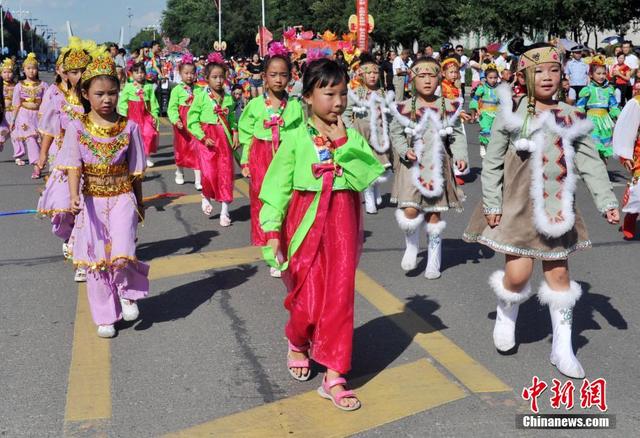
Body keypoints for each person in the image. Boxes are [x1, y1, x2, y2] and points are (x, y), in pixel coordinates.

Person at [463, 40, 620, 378]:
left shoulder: (571, 116)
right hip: (517, 208)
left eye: (554, 70)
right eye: (539, 71)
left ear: (564, 76)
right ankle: (507, 313)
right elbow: (491, 163)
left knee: (559, 275)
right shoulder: (512, 114)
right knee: (518, 275)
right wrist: (492, 201)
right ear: (524, 78)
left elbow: (592, 162)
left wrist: (607, 201)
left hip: (556, 209)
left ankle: (562, 348)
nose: (548, 77)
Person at [259, 58, 384, 411]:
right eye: (329, 94)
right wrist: (271, 232)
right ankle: (297, 342)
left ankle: (334, 374)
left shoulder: (351, 135)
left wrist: (342, 142)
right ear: (309, 97)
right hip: (304, 223)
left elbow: (365, 175)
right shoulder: (295, 138)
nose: (338, 102)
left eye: (343, 93)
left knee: (339, 298)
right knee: (308, 302)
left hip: (343, 224)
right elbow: (276, 188)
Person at [58, 50, 149, 338]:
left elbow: (135, 170)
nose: (106, 99)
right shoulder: (76, 128)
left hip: (123, 196)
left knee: (123, 249)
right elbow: (74, 165)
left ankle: (127, 292)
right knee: (96, 260)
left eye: (112, 93)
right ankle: (105, 315)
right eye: (99, 94)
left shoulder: (129, 127)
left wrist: (140, 201)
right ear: (86, 94)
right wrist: (73, 196)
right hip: (91, 201)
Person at [389, 57, 468, 280]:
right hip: (412, 166)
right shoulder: (403, 107)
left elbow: (457, 135)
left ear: (439, 78)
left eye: (431, 76)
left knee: (434, 214)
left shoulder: (448, 106)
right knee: (410, 210)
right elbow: (395, 132)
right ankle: (412, 245)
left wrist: (460, 156)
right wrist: (405, 150)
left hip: (438, 167)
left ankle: (434, 258)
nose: (427, 81)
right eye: (421, 76)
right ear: (413, 79)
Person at [238, 43, 304, 276]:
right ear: (264, 77)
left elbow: (304, 133)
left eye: (283, 75)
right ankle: (271, 248)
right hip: (262, 156)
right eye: (273, 75)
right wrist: (245, 162)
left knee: (288, 200)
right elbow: (246, 134)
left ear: (290, 77)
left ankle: (287, 244)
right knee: (265, 201)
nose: (278, 79)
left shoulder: (296, 105)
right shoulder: (255, 105)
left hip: (287, 157)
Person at [37, 38, 94, 282]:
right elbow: (50, 132)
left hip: (92, 162)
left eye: (83, 70)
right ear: (65, 73)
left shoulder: (97, 98)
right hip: (65, 161)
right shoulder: (57, 98)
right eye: (74, 71)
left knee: (86, 211)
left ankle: (80, 258)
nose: (79, 75)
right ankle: (69, 237)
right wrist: (41, 159)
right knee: (62, 211)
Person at [187, 52, 238, 225]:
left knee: (225, 173)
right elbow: (192, 121)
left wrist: (235, 132)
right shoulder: (201, 96)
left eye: (221, 77)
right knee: (208, 173)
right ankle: (206, 195)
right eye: (214, 77)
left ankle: (225, 211)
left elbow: (231, 118)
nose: (218, 80)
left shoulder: (228, 97)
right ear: (206, 78)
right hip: (207, 140)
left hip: (223, 139)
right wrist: (202, 137)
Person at [342, 52, 396, 214]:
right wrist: (351, 128)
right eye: (369, 73)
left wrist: (392, 132)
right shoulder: (356, 93)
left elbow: (390, 115)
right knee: (366, 166)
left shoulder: (383, 93)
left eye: (375, 73)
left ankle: (376, 188)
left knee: (380, 166)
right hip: (362, 135)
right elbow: (345, 113)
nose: (372, 76)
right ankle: (369, 194)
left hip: (379, 135)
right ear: (362, 75)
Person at [10, 53, 49, 178]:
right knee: (30, 138)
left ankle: (40, 163)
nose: (31, 71)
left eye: (34, 68)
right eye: (28, 68)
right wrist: (13, 120)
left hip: (39, 115)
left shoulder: (43, 85)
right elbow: (15, 105)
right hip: (24, 115)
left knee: (39, 140)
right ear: (24, 70)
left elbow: (48, 103)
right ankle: (36, 166)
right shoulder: (19, 86)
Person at [576, 55, 620, 161]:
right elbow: (580, 106)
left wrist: (618, 115)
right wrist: (578, 116)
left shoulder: (609, 90)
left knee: (605, 147)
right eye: (598, 73)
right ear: (591, 74)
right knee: (594, 145)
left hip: (605, 121)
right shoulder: (588, 90)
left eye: (604, 73)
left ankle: (603, 171)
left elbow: (613, 106)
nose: (601, 76)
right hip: (592, 120)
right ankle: (594, 169)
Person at [167, 55, 202, 188]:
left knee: (197, 149)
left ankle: (198, 179)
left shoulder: (200, 89)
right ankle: (179, 171)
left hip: (196, 122)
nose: (189, 76)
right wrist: (176, 120)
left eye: (192, 73)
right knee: (181, 149)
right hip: (182, 123)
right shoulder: (177, 90)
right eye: (186, 73)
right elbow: (172, 108)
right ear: (180, 74)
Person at [117, 62, 160, 167]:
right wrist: (123, 115)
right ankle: (132, 156)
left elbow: (153, 102)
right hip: (132, 115)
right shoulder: (128, 86)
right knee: (133, 137)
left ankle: (146, 156)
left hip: (145, 114)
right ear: (132, 74)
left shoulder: (149, 87)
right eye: (137, 72)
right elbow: (123, 102)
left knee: (149, 134)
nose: (140, 75)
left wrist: (154, 115)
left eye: (142, 72)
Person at [612, 94, 640, 239]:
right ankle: (631, 216)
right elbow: (626, 129)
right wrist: (625, 155)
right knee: (639, 192)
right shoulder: (637, 103)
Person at [470, 64, 500, 158]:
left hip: (496, 113)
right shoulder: (482, 87)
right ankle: (482, 145)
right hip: (484, 113)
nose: (493, 80)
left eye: (495, 77)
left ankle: (492, 150)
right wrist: (477, 109)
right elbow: (474, 99)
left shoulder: (499, 87)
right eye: (490, 77)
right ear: (486, 78)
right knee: (486, 131)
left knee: (495, 133)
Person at [0, 59, 16, 155]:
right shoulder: (1, 85)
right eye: (4, 72)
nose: (7, 74)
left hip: (13, 112)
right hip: (3, 112)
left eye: (9, 72)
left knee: (13, 132)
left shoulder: (17, 85)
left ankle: (18, 154)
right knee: (3, 130)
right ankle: (0, 141)